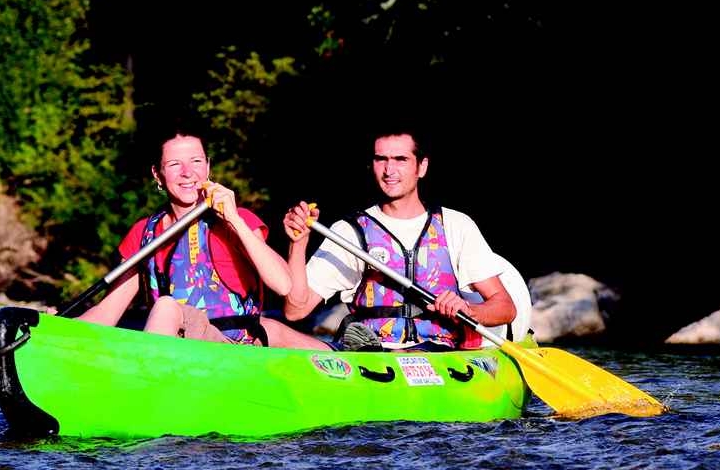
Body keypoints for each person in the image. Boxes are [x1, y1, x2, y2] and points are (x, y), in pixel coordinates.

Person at [75, 134, 325, 349]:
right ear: (157, 174)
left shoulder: (236, 222)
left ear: (208, 167)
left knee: (166, 307)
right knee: (166, 308)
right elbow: (107, 312)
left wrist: (234, 219)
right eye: (174, 164)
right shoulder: (144, 234)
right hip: (180, 345)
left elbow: (283, 286)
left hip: (234, 349)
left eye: (196, 161)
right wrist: (57, 328)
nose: (187, 172)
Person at [282, 132, 524, 351]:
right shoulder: (349, 232)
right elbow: (295, 310)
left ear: (422, 167)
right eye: (381, 159)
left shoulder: (455, 225)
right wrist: (298, 244)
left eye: (401, 159)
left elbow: (505, 307)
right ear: (372, 165)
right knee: (270, 330)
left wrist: (468, 310)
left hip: (437, 353)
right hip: (368, 352)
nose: (389, 170)